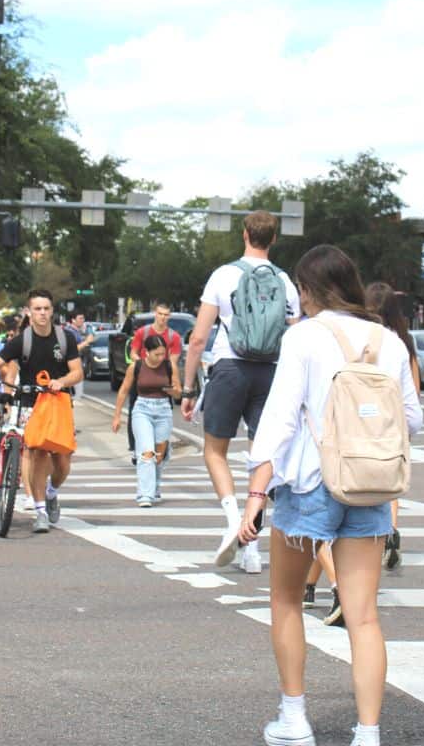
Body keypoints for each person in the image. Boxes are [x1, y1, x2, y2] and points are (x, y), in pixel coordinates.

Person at [239, 244, 422, 746]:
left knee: (287, 600)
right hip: (369, 485)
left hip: (310, 485)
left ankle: (295, 718)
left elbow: (278, 418)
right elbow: (412, 420)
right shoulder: (387, 340)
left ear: (307, 290)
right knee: (363, 615)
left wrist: (257, 490)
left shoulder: (303, 338)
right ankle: (368, 732)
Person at [182, 211, 300, 575]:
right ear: (274, 238)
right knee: (261, 455)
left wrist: (188, 387)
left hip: (230, 368)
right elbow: (295, 338)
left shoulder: (224, 275)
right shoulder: (285, 281)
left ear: (245, 234)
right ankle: (253, 546)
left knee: (214, 450)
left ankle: (234, 518)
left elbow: (199, 338)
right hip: (271, 373)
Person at [0, 289, 81, 533]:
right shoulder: (23, 340)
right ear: (29, 312)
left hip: (59, 403)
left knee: (63, 461)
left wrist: (61, 382)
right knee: (37, 454)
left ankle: (52, 492)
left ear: (52, 311)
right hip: (31, 403)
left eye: (46, 308)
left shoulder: (65, 339)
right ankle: (40, 510)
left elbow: (77, 372)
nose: (42, 313)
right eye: (37, 309)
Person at [364, 282, 417, 571]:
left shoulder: (362, 338)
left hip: (360, 421)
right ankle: (391, 529)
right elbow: (415, 392)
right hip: (394, 423)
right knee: (390, 483)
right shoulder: (403, 342)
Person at [112, 333, 180, 507]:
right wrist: (117, 415)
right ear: (146, 352)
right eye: (156, 354)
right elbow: (123, 390)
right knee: (146, 452)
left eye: (163, 353)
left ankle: (155, 487)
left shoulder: (169, 366)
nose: (160, 357)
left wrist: (171, 390)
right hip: (142, 409)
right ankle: (144, 494)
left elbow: (179, 392)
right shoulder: (136, 366)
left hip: (164, 409)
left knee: (159, 455)